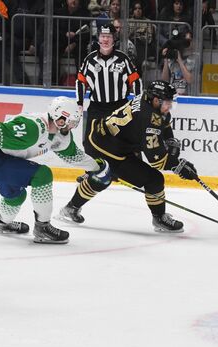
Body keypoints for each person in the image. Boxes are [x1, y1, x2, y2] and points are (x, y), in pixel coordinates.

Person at [0, 97, 110, 244]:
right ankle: (42, 228)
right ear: (58, 117)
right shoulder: (34, 127)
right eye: (69, 121)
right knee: (43, 175)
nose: (71, 126)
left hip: (2, 161)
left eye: (74, 123)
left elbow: (74, 156)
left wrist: (97, 168)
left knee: (16, 196)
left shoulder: (61, 136)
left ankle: (3, 224)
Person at [59, 80, 198, 233]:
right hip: (106, 148)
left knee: (104, 178)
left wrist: (169, 141)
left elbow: (163, 123)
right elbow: (157, 162)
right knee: (151, 179)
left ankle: (72, 206)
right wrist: (178, 166)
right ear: (157, 100)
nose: (170, 106)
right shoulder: (148, 118)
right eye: (168, 102)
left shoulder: (148, 101)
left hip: (108, 138)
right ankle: (159, 218)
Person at [77, 23, 142, 152]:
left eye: (109, 36)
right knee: (90, 143)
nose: (105, 40)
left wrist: (137, 102)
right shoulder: (89, 60)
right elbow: (80, 82)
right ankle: (92, 172)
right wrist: (80, 103)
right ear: (98, 38)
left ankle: (129, 171)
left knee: (125, 142)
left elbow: (136, 81)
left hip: (120, 107)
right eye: (103, 36)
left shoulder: (123, 59)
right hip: (96, 108)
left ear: (114, 39)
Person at [161, 29, 195, 95]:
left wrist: (180, 61)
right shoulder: (172, 59)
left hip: (188, 98)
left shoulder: (195, 58)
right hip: (172, 96)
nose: (186, 44)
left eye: (188, 41)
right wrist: (165, 60)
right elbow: (164, 80)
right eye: (184, 42)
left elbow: (190, 80)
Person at [129, 0, 156, 74]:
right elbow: (126, 36)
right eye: (135, 9)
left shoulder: (148, 21)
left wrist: (137, 36)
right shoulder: (128, 21)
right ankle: (137, 79)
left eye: (139, 8)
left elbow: (149, 38)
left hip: (144, 45)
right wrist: (140, 32)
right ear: (133, 10)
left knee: (137, 61)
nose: (138, 11)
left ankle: (135, 79)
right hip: (131, 45)